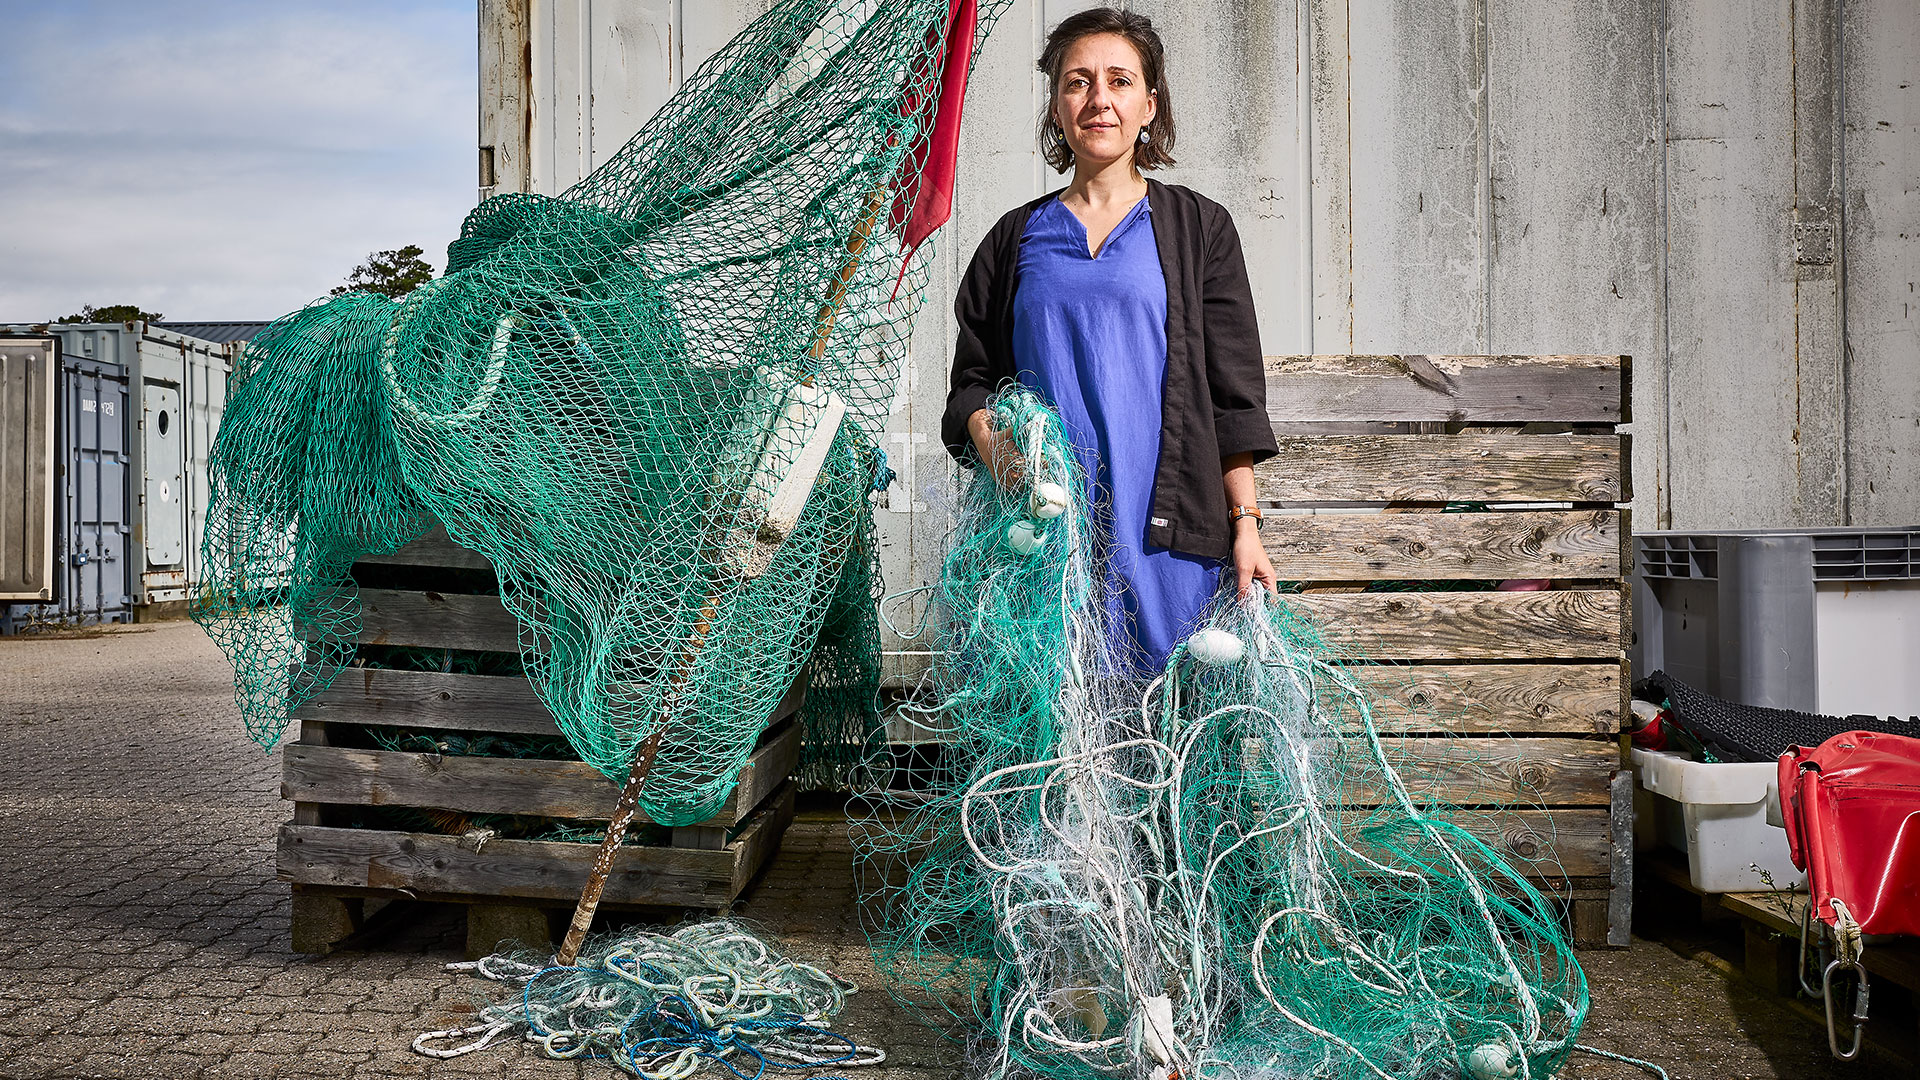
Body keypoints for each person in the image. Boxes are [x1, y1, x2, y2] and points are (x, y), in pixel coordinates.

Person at [941, 6, 1278, 676]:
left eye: (1120, 82)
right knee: (1055, 737)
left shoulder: (1199, 230)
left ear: (1149, 106)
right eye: (1078, 82)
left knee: (1176, 731)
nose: (1100, 99)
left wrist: (1246, 525)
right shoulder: (1014, 241)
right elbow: (971, 384)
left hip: (1170, 545)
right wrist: (996, 447)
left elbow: (1231, 396)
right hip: (1048, 547)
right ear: (1057, 108)